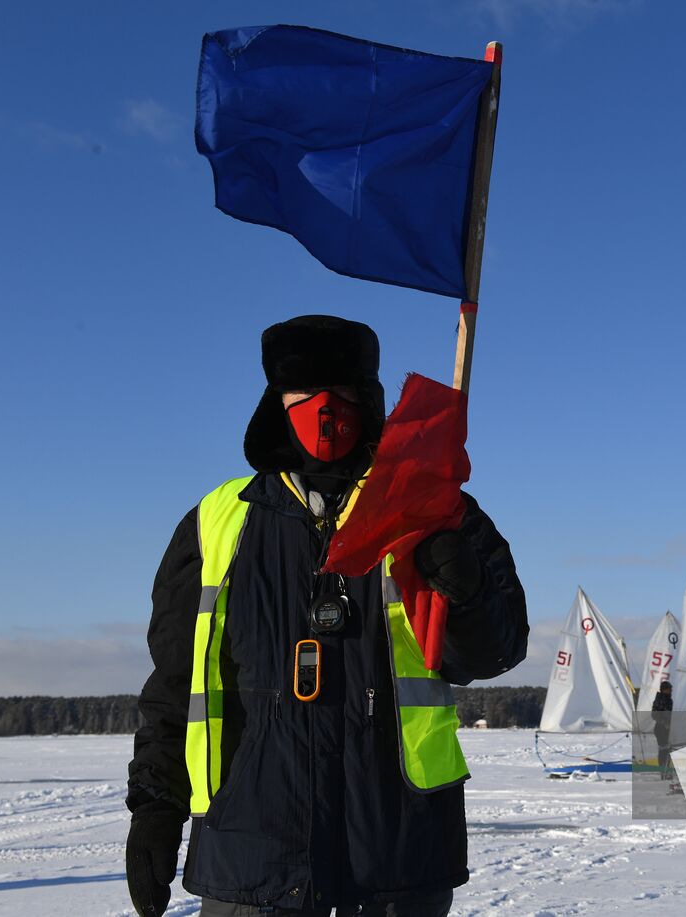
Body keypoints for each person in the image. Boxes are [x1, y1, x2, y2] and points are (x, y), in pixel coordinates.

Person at [125, 315, 529, 917]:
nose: (323, 409)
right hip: (253, 861)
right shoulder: (216, 522)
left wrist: (464, 584)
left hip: (396, 860)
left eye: (339, 392)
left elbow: (495, 652)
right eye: (302, 393)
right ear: (274, 400)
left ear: (368, 398)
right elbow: (175, 685)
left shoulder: (434, 508)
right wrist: (157, 808)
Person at [651, 680, 674, 779]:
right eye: (669, 689)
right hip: (661, 729)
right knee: (664, 750)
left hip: (668, 729)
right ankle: (663, 772)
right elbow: (654, 714)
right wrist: (664, 723)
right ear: (664, 690)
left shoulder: (669, 700)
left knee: (668, 750)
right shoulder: (660, 700)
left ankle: (666, 771)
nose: (671, 691)